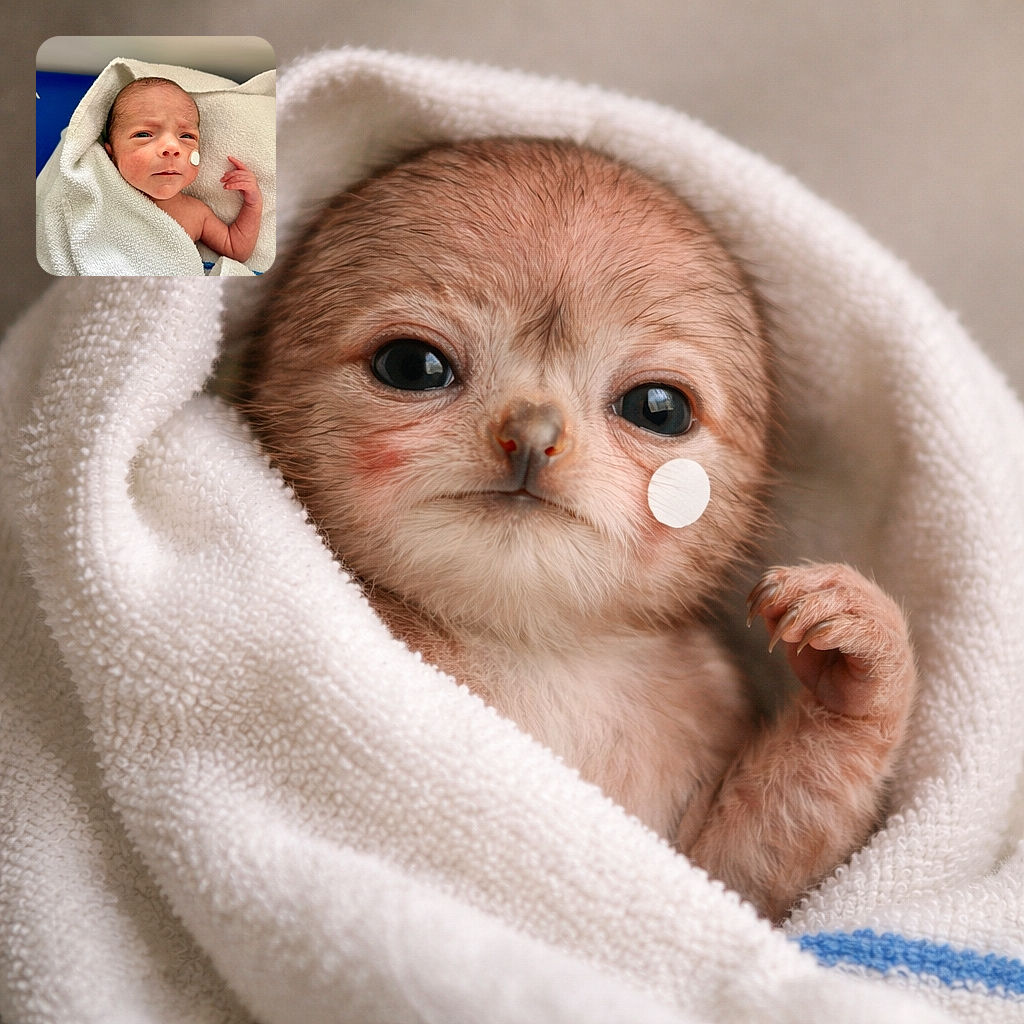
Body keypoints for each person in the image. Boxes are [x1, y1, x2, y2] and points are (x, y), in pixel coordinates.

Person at [103, 76, 262, 263]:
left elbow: (237, 250)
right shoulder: (100, 192)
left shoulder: (195, 213)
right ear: (111, 154)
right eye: (144, 134)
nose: (171, 147)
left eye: (186, 136)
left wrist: (253, 204)